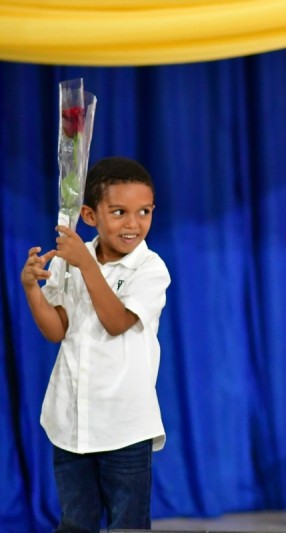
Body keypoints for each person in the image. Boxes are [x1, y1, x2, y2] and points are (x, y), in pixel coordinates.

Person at [20, 156, 170, 532]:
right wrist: (32, 289)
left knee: (128, 523)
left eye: (144, 211)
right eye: (119, 212)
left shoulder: (150, 269)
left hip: (125, 426)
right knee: (76, 522)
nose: (133, 224)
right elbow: (57, 329)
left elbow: (117, 322)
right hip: (70, 421)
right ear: (89, 215)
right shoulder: (70, 261)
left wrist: (85, 265)